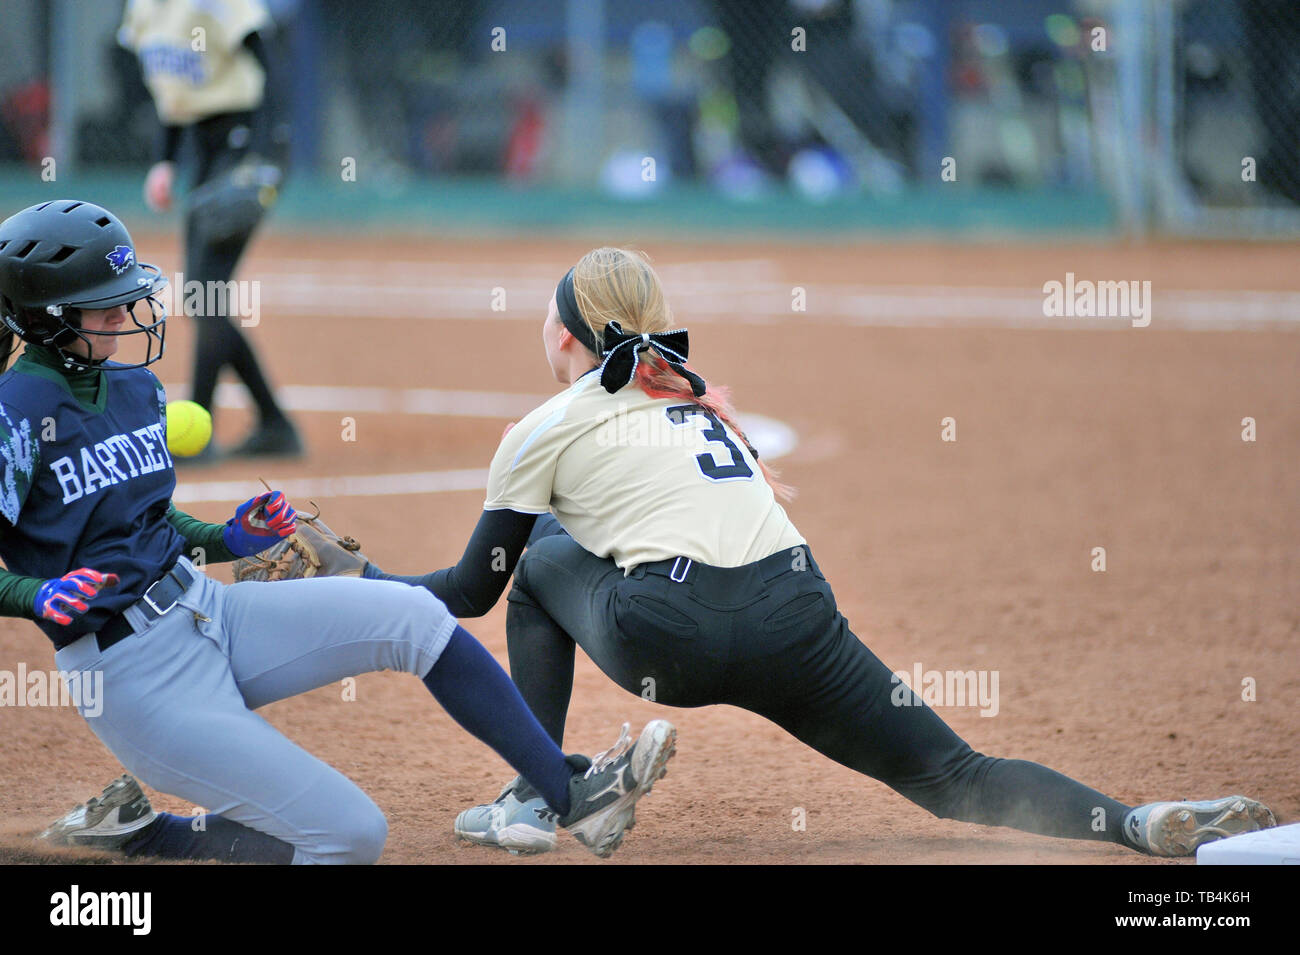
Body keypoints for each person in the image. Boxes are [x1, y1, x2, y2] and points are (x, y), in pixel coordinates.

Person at [364, 246, 1277, 858]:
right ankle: (1139, 822)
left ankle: (536, 794)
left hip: (668, 635)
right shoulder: (688, 395)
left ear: (562, 332)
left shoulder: (544, 426)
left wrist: (351, 579)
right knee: (957, 777)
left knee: (536, 567)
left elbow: (468, 592)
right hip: (797, 617)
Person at [0, 201, 675, 863]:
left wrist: (230, 538)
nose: (126, 313)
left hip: (210, 611)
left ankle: (571, 792)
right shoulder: (16, 413)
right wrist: (37, 595)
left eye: (127, 295)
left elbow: (150, 524)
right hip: (130, 674)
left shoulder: (133, 390)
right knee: (352, 836)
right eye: (103, 303)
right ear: (45, 317)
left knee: (416, 616)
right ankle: (148, 834)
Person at [119, 0, 301, 460]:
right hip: (202, 146)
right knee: (204, 295)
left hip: (245, 141)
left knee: (205, 292)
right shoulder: (143, 10)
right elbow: (172, 94)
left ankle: (200, 431)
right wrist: (166, 159)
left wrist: (261, 153)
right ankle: (274, 423)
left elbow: (274, 66)